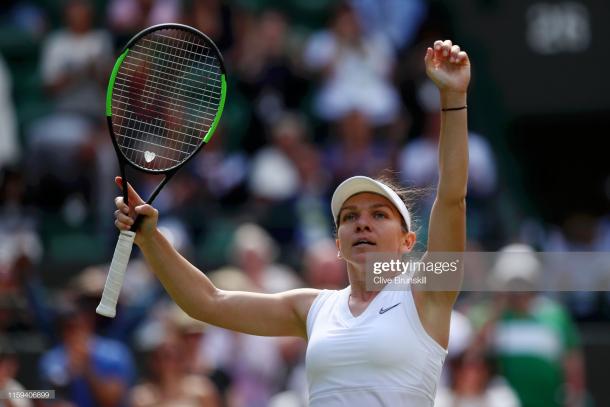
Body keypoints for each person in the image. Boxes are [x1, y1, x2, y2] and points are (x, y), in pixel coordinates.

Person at [112, 39, 470, 406]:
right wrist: (151, 240)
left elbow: (452, 197)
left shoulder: (427, 293)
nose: (362, 224)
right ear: (337, 244)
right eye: (350, 218)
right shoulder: (313, 307)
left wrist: (453, 99)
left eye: (379, 215)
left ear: (408, 242)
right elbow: (208, 302)